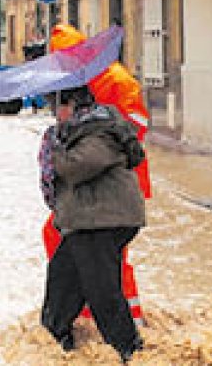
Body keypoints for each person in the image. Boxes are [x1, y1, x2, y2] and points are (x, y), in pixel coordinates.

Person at [45, 24, 151, 323]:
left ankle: (124, 315)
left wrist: (97, 127)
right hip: (89, 180)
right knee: (66, 238)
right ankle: (81, 309)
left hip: (113, 178)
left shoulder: (114, 80)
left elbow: (135, 125)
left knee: (104, 252)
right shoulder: (77, 83)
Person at [39, 85, 146, 361]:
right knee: (64, 278)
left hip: (103, 219)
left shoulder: (100, 129)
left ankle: (129, 349)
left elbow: (76, 168)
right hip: (84, 220)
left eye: (57, 107)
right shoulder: (79, 130)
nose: (55, 114)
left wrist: (54, 147)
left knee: (102, 289)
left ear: (73, 104)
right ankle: (54, 335)